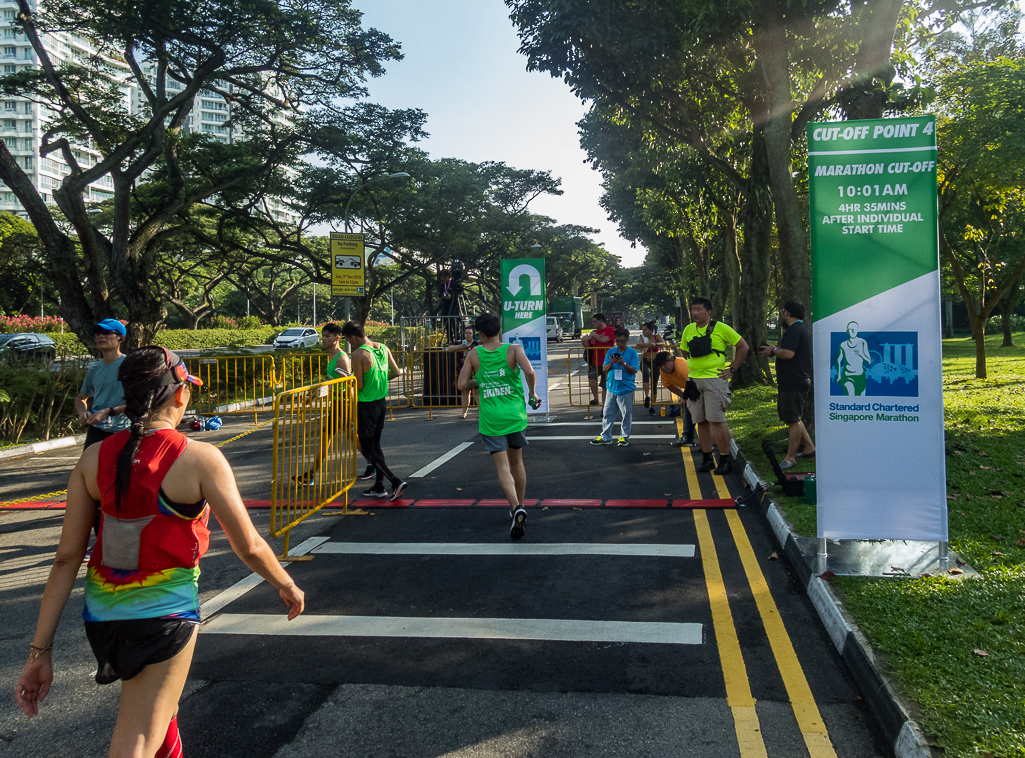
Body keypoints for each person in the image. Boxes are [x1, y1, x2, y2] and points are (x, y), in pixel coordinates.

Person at [15, 346, 305, 757]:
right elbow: (250, 545)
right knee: (137, 738)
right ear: (181, 395)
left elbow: (65, 559)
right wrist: (286, 583)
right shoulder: (201, 458)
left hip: (102, 619)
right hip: (163, 618)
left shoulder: (92, 459)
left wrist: (39, 652)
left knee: (160, 717)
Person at [457, 312, 541, 540]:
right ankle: (521, 504)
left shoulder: (475, 353)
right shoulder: (513, 350)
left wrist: (482, 380)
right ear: (499, 330)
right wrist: (532, 393)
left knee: (502, 467)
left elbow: (461, 384)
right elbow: (530, 372)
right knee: (518, 461)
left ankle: (515, 507)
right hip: (515, 416)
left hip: (491, 419)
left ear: (481, 334)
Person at [680, 297, 750, 475]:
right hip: (694, 381)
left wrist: (732, 369)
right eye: (693, 309)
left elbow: (743, 346)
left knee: (716, 420)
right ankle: (707, 458)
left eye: (699, 309)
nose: (695, 313)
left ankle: (725, 459)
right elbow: (684, 350)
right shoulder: (688, 329)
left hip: (714, 380)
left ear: (708, 312)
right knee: (700, 421)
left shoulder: (721, 328)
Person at [341, 321, 408, 501]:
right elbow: (396, 372)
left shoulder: (358, 354)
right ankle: (379, 486)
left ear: (353, 337)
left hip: (365, 404)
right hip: (380, 401)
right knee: (376, 446)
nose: (350, 344)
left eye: (348, 340)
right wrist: (378, 381)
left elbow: (359, 384)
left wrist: (347, 378)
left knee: (368, 450)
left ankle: (395, 481)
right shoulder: (382, 347)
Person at [295, 322, 362, 484]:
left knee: (327, 438)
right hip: (336, 405)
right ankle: (374, 462)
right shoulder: (331, 357)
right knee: (351, 437)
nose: (323, 339)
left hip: (343, 405)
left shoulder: (342, 359)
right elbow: (329, 382)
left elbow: (349, 386)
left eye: (327, 336)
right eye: (322, 336)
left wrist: (353, 412)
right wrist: (312, 397)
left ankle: (310, 474)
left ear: (337, 338)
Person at [760, 301, 816, 469]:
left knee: (793, 420)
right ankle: (809, 448)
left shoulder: (794, 330)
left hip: (794, 382)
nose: (781, 315)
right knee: (794, 417)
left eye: (782, 311)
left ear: (788, 313)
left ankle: (790, 458)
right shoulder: (798, 329)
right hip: (792, 382)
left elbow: (788, 354)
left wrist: (774, 350)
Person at [75, 319, 130, 449]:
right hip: (97, 432)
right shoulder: (94, 369)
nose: (100, 335)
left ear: (120, 338)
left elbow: (141, 402)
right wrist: (83, 412)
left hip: (125, 431)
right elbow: (80, 398)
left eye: (107, 332)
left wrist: (109, 411)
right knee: (89, 469)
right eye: (97, 332)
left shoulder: (130, 365)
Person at [590, 328, 639, 447]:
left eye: (623, 341)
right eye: (618, 341)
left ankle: (624, 436)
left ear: (627, 340)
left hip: (626, 388)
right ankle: (605, 436)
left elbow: (634, 370)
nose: (620, 343)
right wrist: (611, 363)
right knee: (607, 413)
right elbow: (604, 369)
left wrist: (623, 364)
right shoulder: (610, 351)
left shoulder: (632, 353)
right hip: (612, 387)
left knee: (626, 414)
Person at [652, 351, 695, 446]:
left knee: (702, 416)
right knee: (688, 410)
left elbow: (693, 381)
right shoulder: (663, 372)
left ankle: (705, 443)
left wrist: (686, 396)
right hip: (692, 388)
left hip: (700, 386)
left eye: (664, 364)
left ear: (672, 359)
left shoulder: (682, 366)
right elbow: (669, 385)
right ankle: (688, 438)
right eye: (660, 366)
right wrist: (683, 396)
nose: (663, 368)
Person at [446, 325, 481, 419]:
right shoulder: (459, 342)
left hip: (475, 371)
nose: (468, 335)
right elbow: (449, 348)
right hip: (463, 371)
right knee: (465, 391)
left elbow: (485, 348)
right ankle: (464, 412)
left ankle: (481, 411)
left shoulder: (477, 343)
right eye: (466, 333)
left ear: (473, 334)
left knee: (477, 391)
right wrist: (459, 347)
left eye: (470, 333)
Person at [581, 313, 615, 406]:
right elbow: (587, 346)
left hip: (607, 361)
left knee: (605, 385)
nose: (593, 323)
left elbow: (605, 340)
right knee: (592, 378)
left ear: (601, 321)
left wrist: (594, 335)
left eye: (595, 321)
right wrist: (584, 340)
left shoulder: (610, 329)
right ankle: (595, 398)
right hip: (595, 361)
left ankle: (604, 406)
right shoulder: (594, 332)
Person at [835, 321, 872, 396]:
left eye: (854, 329)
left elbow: (869, 361)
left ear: (857, 330)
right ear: (847, 331)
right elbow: (838, 360)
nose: (852, 331)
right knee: (850, 397)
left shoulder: (862, 342)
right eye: (850, 329)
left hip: (860, 376)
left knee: (862, 400)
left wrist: (860, 354)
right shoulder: (843, 345)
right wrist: (839, 375)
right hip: (847, 375)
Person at [636, 321, 663, 416]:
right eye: (642, 330)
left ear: (651, 330)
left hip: (655, 362)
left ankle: (652, 407)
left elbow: (662, 343)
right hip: (645, 360)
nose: (643, 332)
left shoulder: (657, 337)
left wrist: (655, 344)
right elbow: (639, 343)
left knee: (654, 384)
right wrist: (646, 345)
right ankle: (647, 396)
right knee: (646, 374)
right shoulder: (642, 337)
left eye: (645, 330)